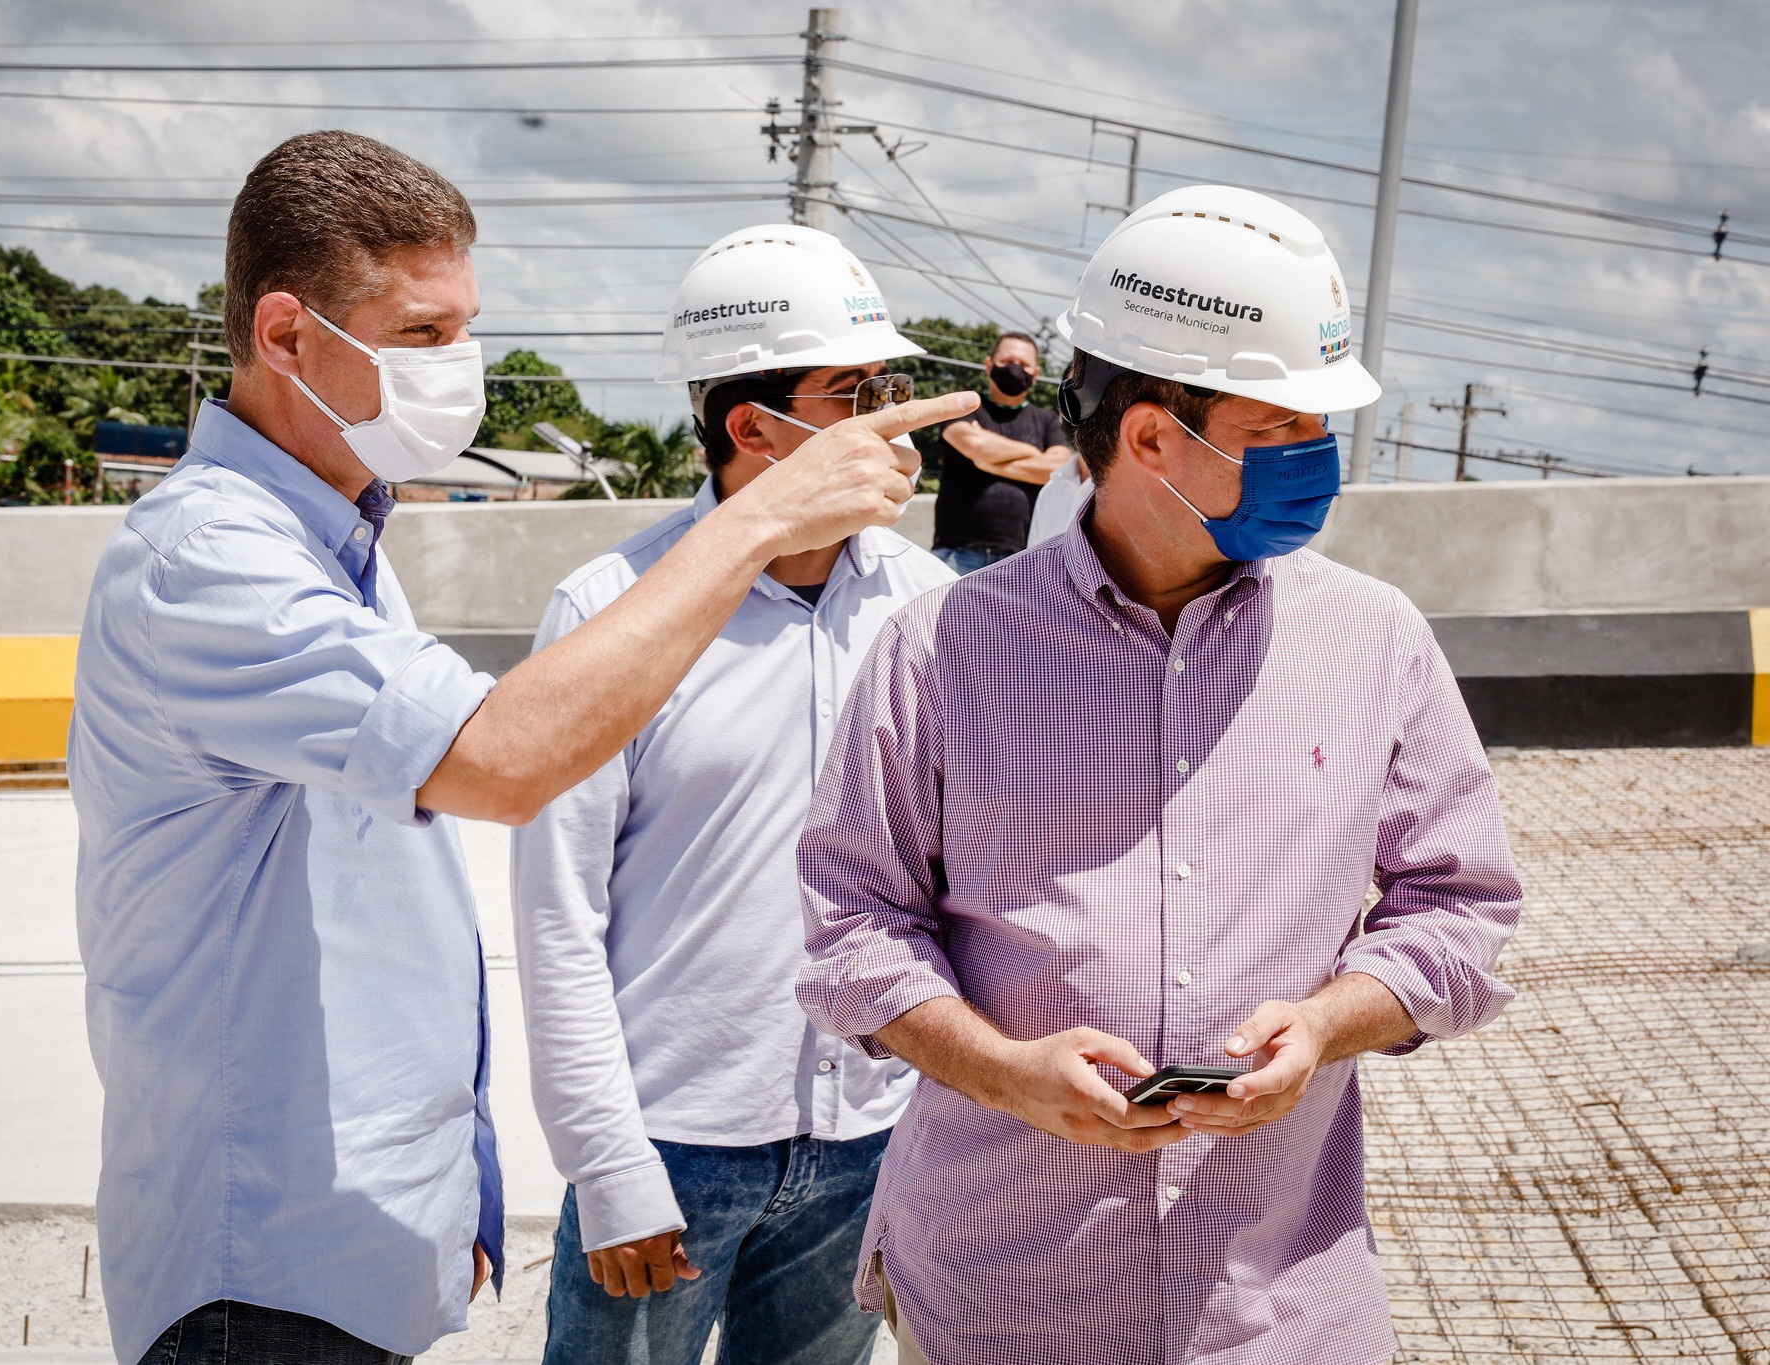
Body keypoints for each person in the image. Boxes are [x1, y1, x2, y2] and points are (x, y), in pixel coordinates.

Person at [68, 132, 973, 1365]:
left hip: (347, 1235)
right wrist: (761, 520)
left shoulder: (336, 551)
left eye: (465, 330)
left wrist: (459, 1164)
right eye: (424, 336)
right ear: (285, 337)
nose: (463, 370)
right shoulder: (209, 565)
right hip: (258, 1269)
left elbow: (374, 907)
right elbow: (504, 767)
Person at [794, 186, 1524, 1364]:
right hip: (1000, 1297)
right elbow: (852, 928)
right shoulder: (940, 650)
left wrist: (1328, 1027)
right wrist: (1005, 1073)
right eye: (1281, 429)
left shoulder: (1373, 639)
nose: (1318, 461)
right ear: (1147, 438)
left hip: (1276, 1307)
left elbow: (1460, 908)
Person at [511, 225, 958, 1365]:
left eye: (884, 386)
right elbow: (559, 915)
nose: (885, 421)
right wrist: (606, 1168)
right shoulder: (610, 609)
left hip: (865, 1137)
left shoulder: (923, 604)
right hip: (668, 1151)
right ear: (753, 429)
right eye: (853, 392)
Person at [929, 331, 1072, 572]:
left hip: (1022, 556)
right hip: (955, 552)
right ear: (989, 365)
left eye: (1024, 365)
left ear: (1036, 374)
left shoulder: (1046, 420)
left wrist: (987, 462)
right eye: (1007, 362)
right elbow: (975, 445)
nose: (1015, 369)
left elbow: (1057, 468)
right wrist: (1034, 453)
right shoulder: (965, 406)